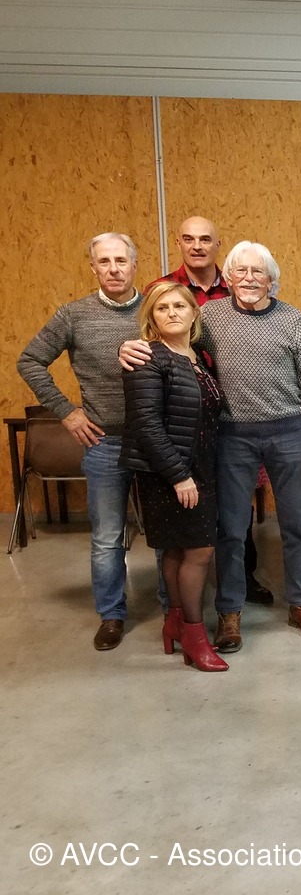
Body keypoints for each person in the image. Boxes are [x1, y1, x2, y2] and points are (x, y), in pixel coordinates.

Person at [120, 241, 301, 650]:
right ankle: (230, 612)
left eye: (258, 271)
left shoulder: (291, 318)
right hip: (232, 436)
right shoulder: (210, 317)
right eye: (241, 271)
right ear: (229, 278)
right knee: (231, 530)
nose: (249, 278)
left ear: (271, 279)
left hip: (289, 433)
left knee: (296, 527)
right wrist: (128, 345)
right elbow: (170, 337)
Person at [18, 232, 143, 651]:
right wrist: (67, 412)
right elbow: (29, 360)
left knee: (163, 534)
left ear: (134, 265)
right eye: (104, 261)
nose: (113, 269)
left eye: (121, 261)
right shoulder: (74, 315)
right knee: (107, 536)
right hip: (105, 443)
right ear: (93, 268)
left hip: (154, 441)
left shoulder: (156, 308)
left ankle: (173, 607)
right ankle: (111, 615)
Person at [146, 216, 271, 606]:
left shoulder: (235, 288)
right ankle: (176, 605)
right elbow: (146, 342)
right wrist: (125, 347)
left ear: (218, 245)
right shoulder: (163, 289)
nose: (197, 246)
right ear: (179, 244)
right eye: (189, 239)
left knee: (235, 510)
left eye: (205, 239)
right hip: (180, 426)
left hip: (228, 420)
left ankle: (241, 580)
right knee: (179, 528)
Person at [119, 282, 226, 671]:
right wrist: (179, 476)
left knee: (179, 551)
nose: (172, 313)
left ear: (195, 312)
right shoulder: (147, 358)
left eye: (180, 305)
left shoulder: (198, 356)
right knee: (199, 552)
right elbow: (146, 424)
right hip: (169, 473)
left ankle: (175, 623)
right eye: (162, 308)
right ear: (152, 317)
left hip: (200, 466)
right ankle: (195, 638)